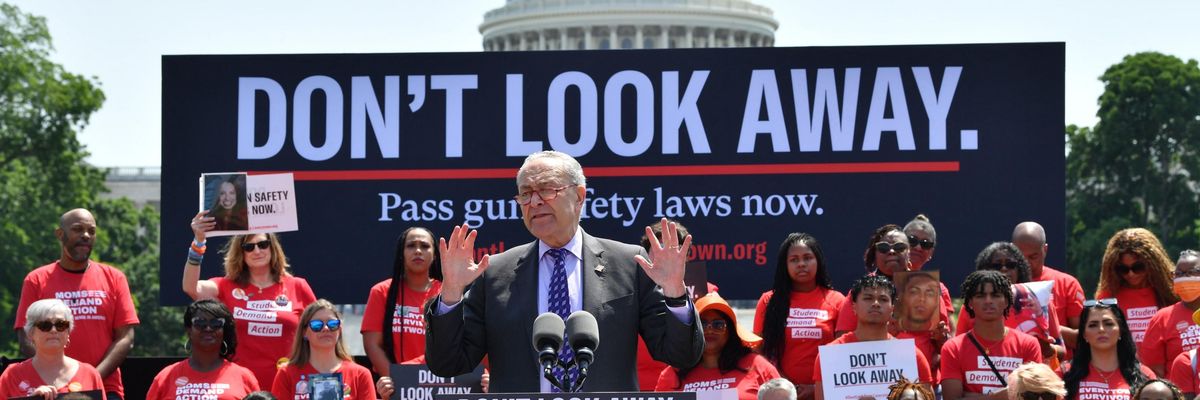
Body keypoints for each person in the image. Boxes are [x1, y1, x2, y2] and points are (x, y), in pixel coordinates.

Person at [425, 150, 704, 392]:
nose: (534, 202)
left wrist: (675, 294)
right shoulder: (496, 272)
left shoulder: (628, 263)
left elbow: (680, 355)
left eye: (546, 190)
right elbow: (449, 363)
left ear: (579, 196)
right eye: (525, 194)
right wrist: (451, 295)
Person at [14, 209, 138, 400]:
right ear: (60, 234)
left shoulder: (114, 278)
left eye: (92, 231)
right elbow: (25, 337)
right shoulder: (36, 280)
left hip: (105, 388)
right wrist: (60, 379)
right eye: (78, 229)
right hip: (51, 389)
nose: (86, 236)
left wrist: (91, 377)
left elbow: (125, 338)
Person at [183, 217, 318, 389]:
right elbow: (190, 287)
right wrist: (198, 242)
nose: (257, 251)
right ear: (241, 253)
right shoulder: (226, 286)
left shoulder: (297, 286)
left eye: (263, 244)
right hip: (239, 384)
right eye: (249, 247)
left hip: (289, 383)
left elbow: (319, 329)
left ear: (272, 247)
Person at [834, 224, 952, 379]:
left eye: (899, 247)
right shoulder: (861, 291)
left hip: (922, 383)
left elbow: (945, 347)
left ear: (909, 253)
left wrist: (941, 339)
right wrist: (881, 333)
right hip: (875, 381)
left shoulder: (928, 288)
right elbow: (842, 342)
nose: (891, 251)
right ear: (875, 254)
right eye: (883, 247)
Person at [814, 275, 934, 400]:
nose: (876, 304)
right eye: (868, 298)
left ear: (892, 309)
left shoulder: (913, 356)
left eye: (883, 299)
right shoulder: (830, 357)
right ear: (854, 307)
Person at [754, 232, 845, 398]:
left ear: (818, 261)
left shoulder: (837, 300)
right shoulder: (769, 301)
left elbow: (842, 353)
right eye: (794, 260)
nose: (801, 264)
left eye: (807, 258)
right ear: (785, 265)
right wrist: (784, 386)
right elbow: (758, 352)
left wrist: (815, 388)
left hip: (825, 391)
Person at [636, 219, 717, 391]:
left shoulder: (708, 293)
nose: (665, 255)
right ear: (645, 254)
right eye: (658, 248)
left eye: (672, 249)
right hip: (638, 389)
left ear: (686, 256)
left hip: (686, 387)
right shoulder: (629, 293)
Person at [956, 243, 1065, 369]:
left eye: (1010, 265)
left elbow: (1062, 351)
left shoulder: (1039, 300)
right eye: (996, 265)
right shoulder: (973, 305)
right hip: (983, 377)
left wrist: (1047, 348)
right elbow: (959, 347)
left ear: (1020, 269)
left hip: (1031, 378)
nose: (1004, 269)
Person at [941, 270, 1043, 400]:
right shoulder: (953, 348)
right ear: (970, 303)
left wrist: (971, 397)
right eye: (980, 296)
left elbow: (1033, 396)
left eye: (995, 295)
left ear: (1006, 302)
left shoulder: (1028, 344)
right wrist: (1003, 395)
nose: (988, 301)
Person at [656, 294, 780, 400]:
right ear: (692, 330)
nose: (710, 329)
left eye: (718, 324)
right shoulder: (672, 374)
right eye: (702, 324)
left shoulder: (758, 366)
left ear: (730, 331)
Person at [361, 227, 443, 375]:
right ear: (401, 253)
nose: (418, 251)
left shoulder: (448, 293)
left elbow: (454, 346)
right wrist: (398, 380)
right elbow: (372, 345)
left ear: (435, 255)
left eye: (425, 246)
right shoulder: (381, 291)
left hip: (440, 384)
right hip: (397, 388)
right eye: (411, 245)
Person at [146, 300, 260, 400]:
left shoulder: (244, 376)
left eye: (216, 323)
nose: (208, 328)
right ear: (189, 330)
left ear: (224, 331)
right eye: (200, 323)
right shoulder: (166, 376)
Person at [271, 300, 376, 400]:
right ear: (304, 332)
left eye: (332, 324)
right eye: (317, 325)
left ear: (339, 330)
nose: (326, 328)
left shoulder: (360, 374)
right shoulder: (286, 374)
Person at [0, 299, 105, 399]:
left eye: (61, 324)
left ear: (68, 332)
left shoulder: (90, 374)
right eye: (45, 325)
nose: (54, 330)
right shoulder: (12, 375)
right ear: (31, 333)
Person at [1095, 228, 1178, 346]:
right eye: (1123, 269)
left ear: (1152, 264)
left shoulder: (1173, 291)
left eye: (1138, 267)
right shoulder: (1108, 297)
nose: (1131, 274)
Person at [1013, 222, 1086, 351]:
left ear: (1045, 249)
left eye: (1033, 256)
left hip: (1056, 368)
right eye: (1020, 257)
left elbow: (1084, 338)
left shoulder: (1067, 284)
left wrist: (1042, 325)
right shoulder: (999, 286)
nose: (1026, 263)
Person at [1063, 299, 1153, 400]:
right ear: (1084, 334)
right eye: (1093, 325)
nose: (1101, 329)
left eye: (1108, 324)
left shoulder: (1144, 375)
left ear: (1120, 331)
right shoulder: (1065, 373)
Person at [1143, 250, 1200, 379]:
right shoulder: (1162, 318)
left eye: (1191, 272)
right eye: (1179, 274)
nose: (1184, 278)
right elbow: (1154, 370)